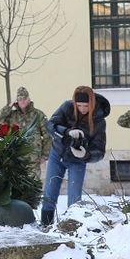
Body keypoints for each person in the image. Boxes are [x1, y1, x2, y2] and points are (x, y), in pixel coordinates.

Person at [44, 86, 109, 217]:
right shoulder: (67, 107)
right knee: (49, 194)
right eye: (79, 105)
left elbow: (100, 151)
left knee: (74, 199)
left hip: (77, 161)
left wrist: (86, 154)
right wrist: (66, 132)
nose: (83, 109)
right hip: (57, 154)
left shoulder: (99, 120)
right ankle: (45, 226)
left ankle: (72, 225)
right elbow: (50, 125)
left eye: (86, 106)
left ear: (92, 103)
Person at [0, 86, 51, 182]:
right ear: (17, 101)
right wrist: (9, 106)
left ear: (29, 100)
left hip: (33, 157)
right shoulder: (12, 115)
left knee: (34, 184)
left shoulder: (38, 114)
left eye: (25, 99)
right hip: (17, 156)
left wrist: (45, 155)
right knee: (18, 185)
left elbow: (47, 135)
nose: (23, 101)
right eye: (20, 99)